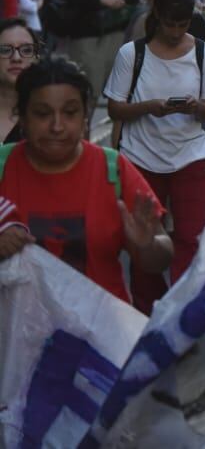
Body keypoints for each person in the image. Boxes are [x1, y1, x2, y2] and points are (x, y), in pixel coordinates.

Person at [0, 57, 171, 304]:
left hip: (102, 334)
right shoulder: (4, 167)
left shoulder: (113, 169)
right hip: (16, 335)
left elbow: (161, 257)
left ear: (85, 118)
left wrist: (147, 246)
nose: (57, 126)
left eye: (70, 113)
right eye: (42, 114)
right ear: (23, 119)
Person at [105, 0, 205, 313]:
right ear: (156, 16)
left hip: (191, 154)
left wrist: (195, 106)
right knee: (145, 238)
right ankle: (148, 311)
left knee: (190, 237)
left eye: (182, 24)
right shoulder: (133, 53)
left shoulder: (204, 53)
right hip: (141, 156)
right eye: (169, 24)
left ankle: (183, 312)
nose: (175, 32)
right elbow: (115, 108)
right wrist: (150, 107)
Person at [0, 19, 40, 142]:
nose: (16, 58)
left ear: (36, 58)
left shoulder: (50, 112)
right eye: (5, 50)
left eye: (26, 50)